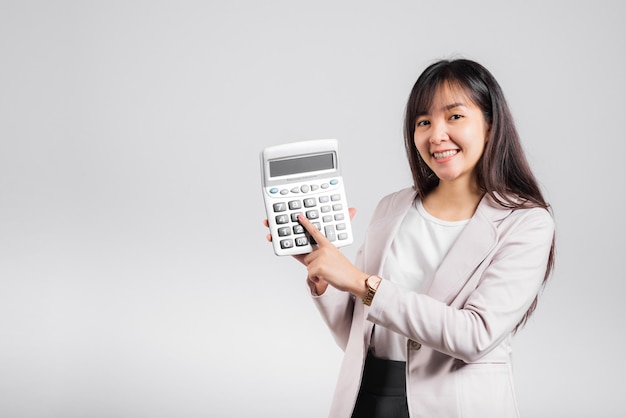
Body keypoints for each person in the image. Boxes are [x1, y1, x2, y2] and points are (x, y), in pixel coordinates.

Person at [264, 58, 555, 418]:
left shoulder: (526, 223)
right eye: (423, 121)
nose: (436, 134)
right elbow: (356, 338)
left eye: (455, 116)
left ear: (490, 125)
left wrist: (359, 281)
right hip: (367, 396)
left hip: (456, 405)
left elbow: (474, 335)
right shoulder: (392, 208)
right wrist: (324, 275)